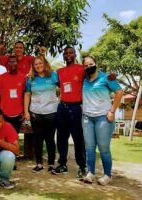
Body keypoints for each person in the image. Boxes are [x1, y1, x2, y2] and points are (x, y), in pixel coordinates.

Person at [81, 56, 123, 185]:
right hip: (87, 117)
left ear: (96, 64)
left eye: (91, 64)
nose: (89, 67)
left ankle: (107, 175)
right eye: (86, 65)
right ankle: (90, 173)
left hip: (103, 118)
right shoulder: (84, 80)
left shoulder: (106, 78)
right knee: (89, 147)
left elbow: (119, 92)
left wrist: (112, 111)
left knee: (104, 148)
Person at [52, 46, 87, 179]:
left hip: (76, 108)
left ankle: (82, 166)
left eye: (71, 52)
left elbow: (94, 76)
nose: (68, 55)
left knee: (78, 139)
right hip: (62, 107)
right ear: (63, 56)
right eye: (66, 53)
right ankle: (62, 165)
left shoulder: (81, 69)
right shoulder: (59, 71)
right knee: (61, 138)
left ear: (74, 54)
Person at [24, 56, 59, 173]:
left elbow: (63, 87)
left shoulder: (53, 75)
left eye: (40, 63)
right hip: (36, 113)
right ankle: (39, 164)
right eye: (36, 64)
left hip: (51, 112)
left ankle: (51, 164)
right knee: (37, 139)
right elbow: (27, 95)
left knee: (50, 139)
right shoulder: (31, 78)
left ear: (45, 64)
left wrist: (62, 101)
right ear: (33, 67)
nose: (38, 66)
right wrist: (26, 112)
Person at [0, 56, 26, 133]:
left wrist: (25, 111)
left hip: (18, 114)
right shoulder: (1, 77)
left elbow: (25, 95)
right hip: (4, 114)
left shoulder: (23, 77)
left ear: (17, 63)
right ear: (7, 64)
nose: (12, 63)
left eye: (14, 61)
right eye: (10, 61)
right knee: (3, 137)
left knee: (14, 137)